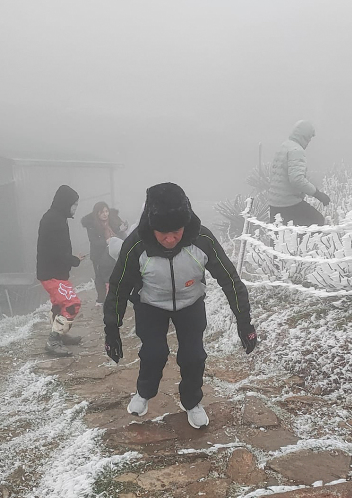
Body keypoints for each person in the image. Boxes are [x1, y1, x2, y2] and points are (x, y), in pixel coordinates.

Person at [103, 183, 257, 429]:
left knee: (194, 356)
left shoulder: (202, 239)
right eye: (162, 232)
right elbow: (119, 286)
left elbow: (230, 279)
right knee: (154, 353)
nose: (170, 238)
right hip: (151, 304)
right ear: (151, 227)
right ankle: (144, 393)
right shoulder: (136, 244)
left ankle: (192, 402)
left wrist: (244, 321)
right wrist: (112, 329)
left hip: (190, 302)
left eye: (175, 231)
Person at [36, 185, 86, 357]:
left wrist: (71, 259)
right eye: (74, 204)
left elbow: (56, 249)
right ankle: (54, 340)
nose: (75, 208)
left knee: (58, 304)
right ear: (65, 203)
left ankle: (60, 336)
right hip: (52, 274)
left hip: (51, 272)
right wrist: (73, 260)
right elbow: (56, 252)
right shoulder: (54, 221)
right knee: (72, 304)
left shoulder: (55, 217)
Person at [267, 120, 331, 226]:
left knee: (278, 236)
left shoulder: (284, 146)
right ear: (303, 137)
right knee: (317, 222)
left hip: (274, 203)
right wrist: (317, 194)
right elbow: (297, 179)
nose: (308, 142)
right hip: (289, 203)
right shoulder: (296, 150)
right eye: (309, 139)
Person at [81, 201, 128, 306]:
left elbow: (118, 233)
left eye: (106, 211)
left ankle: (115, 296)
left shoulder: (113, 220)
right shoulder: (92, 225)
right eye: (101, 212)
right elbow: (93, 241)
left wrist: (123, 229)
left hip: (112, 254)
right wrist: (106, 241)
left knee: (115, 274)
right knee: (99, 277)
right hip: (98, 255)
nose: (105, 214)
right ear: (97, 214)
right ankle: (101, 299)